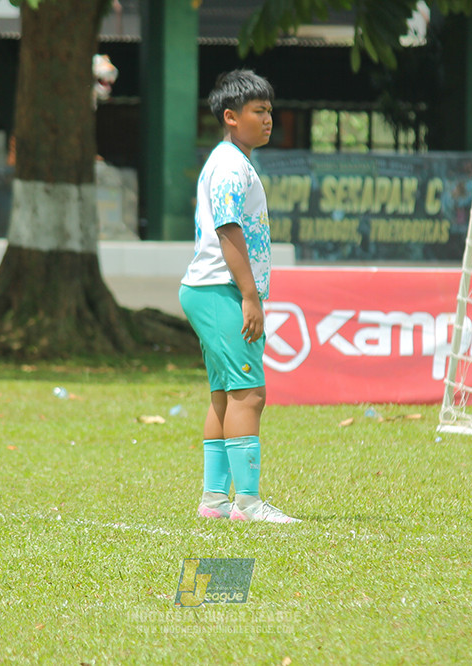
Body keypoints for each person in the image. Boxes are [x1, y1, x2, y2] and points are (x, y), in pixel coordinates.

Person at [179, 70, 300, 524]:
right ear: (231, 117)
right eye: (258, 111)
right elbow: (228, 227)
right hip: (221, 290)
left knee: (226, 396)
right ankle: (247, 505)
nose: (268, 119)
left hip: (207, 290)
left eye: (270, 110)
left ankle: (214, 502)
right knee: (249, 395)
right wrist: (250, 295)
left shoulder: (232, 160)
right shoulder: (230, 165)